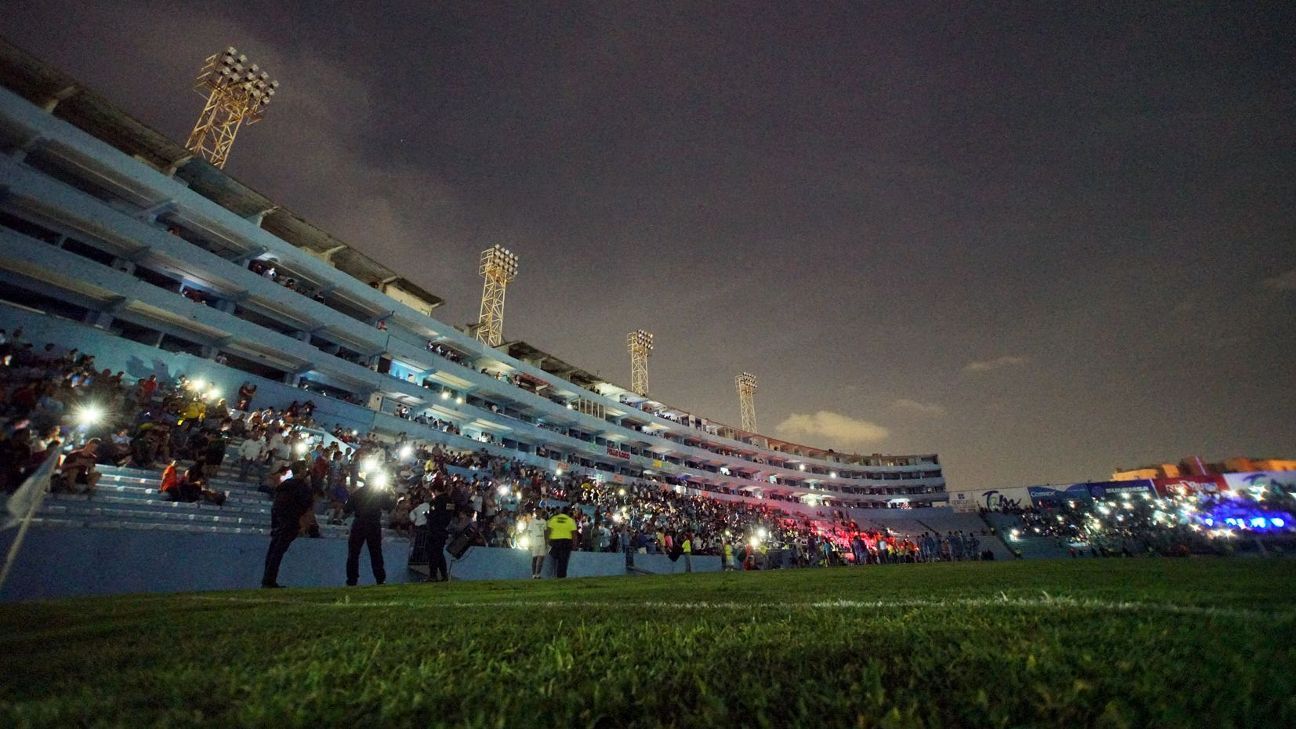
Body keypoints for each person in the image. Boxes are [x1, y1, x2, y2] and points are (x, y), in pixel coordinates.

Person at [261, 460, 314, 588]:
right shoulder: (302, 487)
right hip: (291, 520)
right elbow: (306, 507)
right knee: (278, 551)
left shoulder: (285, 485)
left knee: (274, 550)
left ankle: (267, 579)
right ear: (301, 470)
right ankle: (269, 580)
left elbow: (276, 505)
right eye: (304, 468)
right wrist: (303, 523)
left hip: (281, 519)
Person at [343, 480, 395, 586]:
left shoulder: (357, 493)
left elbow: (346, 509)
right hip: (373, 524)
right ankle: (380, 579)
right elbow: (389, 506)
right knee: (376, 553)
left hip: (359, 523)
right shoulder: (380, 493)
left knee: (353, 553)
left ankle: (352, 579)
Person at [425, 485, 454, 582]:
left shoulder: (435, 501)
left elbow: (433, 516)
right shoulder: (450, 501)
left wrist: (427, 515)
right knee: (439, 553)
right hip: (443, 530)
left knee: (433, 554)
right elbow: (448, 516)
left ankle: (433, 575)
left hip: (434, 531)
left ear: (436, 491)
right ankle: (444, 574)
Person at [545, 506, 578, 579]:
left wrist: (547, 541)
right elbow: (574, 534)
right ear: (568, 512)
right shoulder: (570, 521)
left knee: (554, 559)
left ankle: (554, 574)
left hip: (554, 542)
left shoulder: (554, 519)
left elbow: (548, 531)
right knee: (563, 561)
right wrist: (574, 544)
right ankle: (561, 576)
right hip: (566, 542)